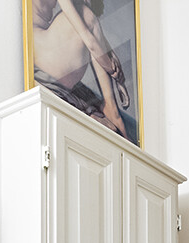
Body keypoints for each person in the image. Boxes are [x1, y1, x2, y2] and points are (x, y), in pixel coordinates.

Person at [32, 0, 131, 139]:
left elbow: (93, 34)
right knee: (86, 14)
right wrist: (114, 72)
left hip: (42, 54)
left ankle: (110, 107)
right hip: (40, 51)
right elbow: (89, 38)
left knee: (86, 16)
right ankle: (111, 108)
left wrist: (111, 58)